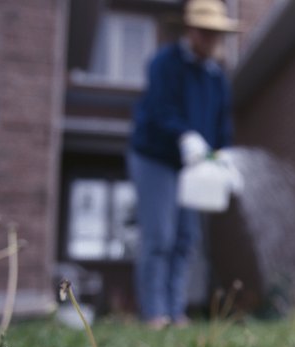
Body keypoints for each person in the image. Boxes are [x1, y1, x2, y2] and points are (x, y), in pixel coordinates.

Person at [127, 0, 239, 329]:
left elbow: (222, 126)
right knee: (159, 234)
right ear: (191, 30)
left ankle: (176, 313)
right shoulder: (165, 63)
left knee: (186, 238)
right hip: (154, 157)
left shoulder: (217, 78)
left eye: (217, 34)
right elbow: (161, 109)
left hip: (193, 167)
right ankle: (154, 313)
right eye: (206, 33)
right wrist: (184, 135)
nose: (211, 40)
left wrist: (223, 157)